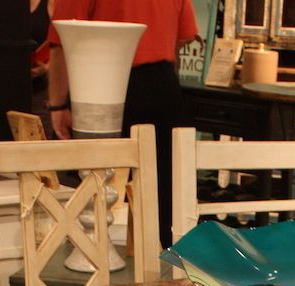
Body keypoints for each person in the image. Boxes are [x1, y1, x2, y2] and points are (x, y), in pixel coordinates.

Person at [47, 0, 199, 247]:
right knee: (163, 195)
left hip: (102, 81)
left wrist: (57, 104)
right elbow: (183, 37)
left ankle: (88, 261)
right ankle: (158, 268)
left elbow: (64, 42)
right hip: (162, 83)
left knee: (91, 185)